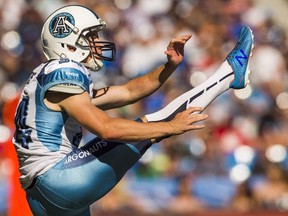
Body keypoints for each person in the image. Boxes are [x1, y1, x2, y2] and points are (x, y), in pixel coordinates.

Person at [12, 4, 254, 216]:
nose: (97, 43)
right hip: (58, 179)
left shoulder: (49, 79)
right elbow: (106, 129)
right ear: (69, 43)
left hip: (41, 194)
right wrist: (169, 127)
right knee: (151, 123)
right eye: (90, 37)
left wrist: (168, 67)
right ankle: (230, 73)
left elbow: (128, 91)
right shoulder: (63, 70)